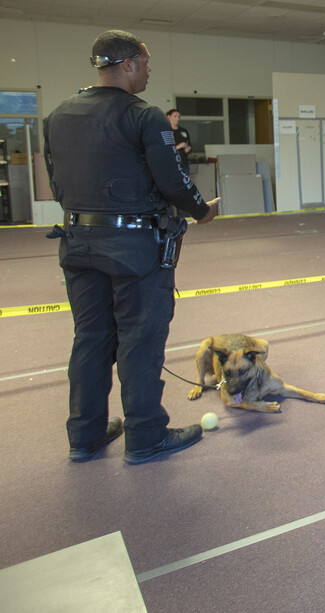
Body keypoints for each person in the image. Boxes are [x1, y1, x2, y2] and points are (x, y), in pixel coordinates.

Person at [44, 30, 220, 464]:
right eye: (145, 63)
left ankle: (84, 435)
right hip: (135, 248)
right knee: (140, 342)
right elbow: (173, 181)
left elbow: (57, 184)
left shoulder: (58, 115)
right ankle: (145, 437)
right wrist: (202, 211)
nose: (148, 71)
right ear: (127, 64)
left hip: (77, 243)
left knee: (90, 340)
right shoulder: (145, 116)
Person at [165, 108, 191, 175]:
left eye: (179, 117)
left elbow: (189, 144)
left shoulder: (183, 131)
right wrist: (179, 146)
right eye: (175, 116)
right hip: (171, 163)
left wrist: (189, 148)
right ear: (168, 117)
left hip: (184, 162)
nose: (177, 119)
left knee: (185, 182)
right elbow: (164, 149)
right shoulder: (166, 131)